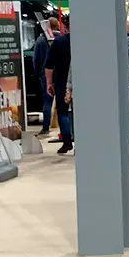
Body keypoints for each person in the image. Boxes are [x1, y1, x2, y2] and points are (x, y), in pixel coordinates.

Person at [44, 15, 73, 154]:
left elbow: (49, 65)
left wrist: (49, 83)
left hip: (62, 82)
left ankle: (67, 142)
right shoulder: (86, 41)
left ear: (65, 27)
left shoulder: (58, 42)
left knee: (62, 112)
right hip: (82, 82)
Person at [32, 18, 57, 136]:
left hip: (45, 75)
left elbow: (36, 59)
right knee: (63, 103)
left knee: (47, 102)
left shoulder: (40, 40)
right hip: (61, 74)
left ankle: (46, 127)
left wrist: (37, 72)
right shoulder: (61, 38)